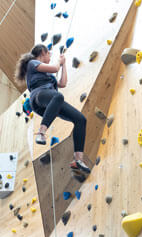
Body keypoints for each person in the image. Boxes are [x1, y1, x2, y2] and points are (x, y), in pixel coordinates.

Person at [15, 44, 91, 176]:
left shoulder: (49, 76)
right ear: (42, 52)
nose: (50, 56)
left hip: (52, 102)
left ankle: (78, 160)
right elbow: (54, 68)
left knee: (80, 119)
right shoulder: (32, 63)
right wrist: (58, 64)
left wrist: (64, 65)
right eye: (49, 53)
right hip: (39, 96)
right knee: (58, 96)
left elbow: (62, 83)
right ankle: (41, 132)